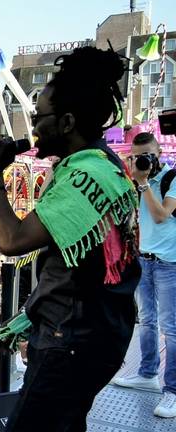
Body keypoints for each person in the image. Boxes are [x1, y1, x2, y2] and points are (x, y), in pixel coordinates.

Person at [0, 46, 140, 431]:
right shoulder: (106, 165)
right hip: (101, 334)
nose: (34, 127)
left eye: (40, 118)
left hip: (72, 340)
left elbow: (12, 240)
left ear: (67, 122)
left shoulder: (81, 179)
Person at [111, 132, 176, 418]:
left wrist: (144, 182)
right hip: (145, 260)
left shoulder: (171, 179)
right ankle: (147, 372)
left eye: (149, 154)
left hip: (170, 263)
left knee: (171, 329)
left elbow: (161, 214)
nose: (146, 160)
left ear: (159, 151)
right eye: (139, 156)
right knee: (147, 320)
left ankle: (173, 391)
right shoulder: (137, 180)